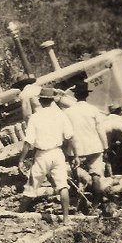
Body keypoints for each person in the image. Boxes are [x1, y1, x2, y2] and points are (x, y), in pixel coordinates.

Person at [17, 87, 77, 224]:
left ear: (40, 100)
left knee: (31, 187)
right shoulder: (61, 115)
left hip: (42, 155)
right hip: (57, 152)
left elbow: (28, 142)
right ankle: (66, 218)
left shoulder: (35, 117)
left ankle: (19, 214)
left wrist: (21, 160)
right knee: (62, 185)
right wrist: (75, 156)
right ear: (51, 100)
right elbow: (70, 137)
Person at [63, 82, 108, 207]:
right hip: (94, 145)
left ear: (76, 96)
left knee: (75, 171)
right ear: (86, 96)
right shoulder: (93, 110)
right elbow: (100, 129)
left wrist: (65, 147)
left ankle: (77, 197)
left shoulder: (68, 112)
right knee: (96, 173)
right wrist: (105, 146)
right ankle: (96, 202)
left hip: (76, 146)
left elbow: (66, 132)